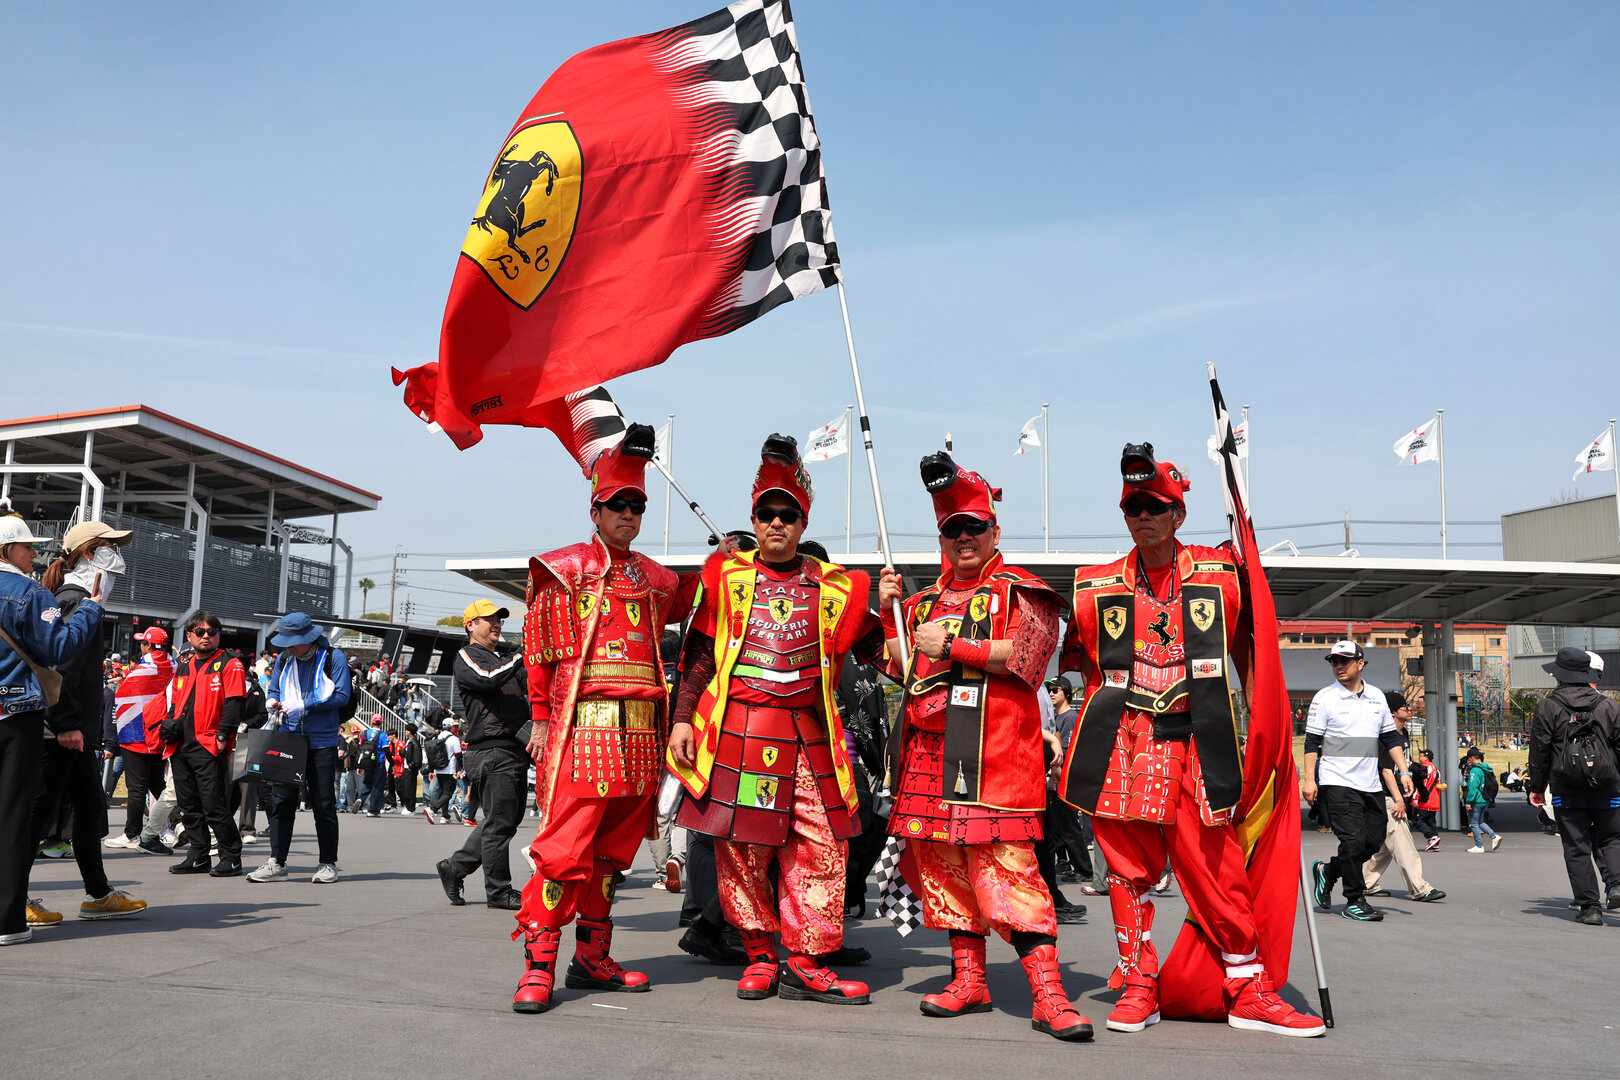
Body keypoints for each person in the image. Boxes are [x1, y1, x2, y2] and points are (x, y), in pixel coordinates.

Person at [1059, 442, 1324, 1037]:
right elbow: (1076, 665)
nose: (1143, 516)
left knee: (1216, 868)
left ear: (1178, 513)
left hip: (1200, 744)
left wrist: (1268, 732)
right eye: (1133, 508)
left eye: (1155, 506)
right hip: (1122, 745)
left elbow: (1253, 651)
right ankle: (1138, 984)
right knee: (1124, 871)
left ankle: (1249, 989)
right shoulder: (1093, 586)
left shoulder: (1222, 571)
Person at [876, 452, 1092, 1041]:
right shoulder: (922, 603)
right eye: (953, 529)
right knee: (946, 875)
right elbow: (899, 667)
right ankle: (968, 980)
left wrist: (953, 645)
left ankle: (1049, 995)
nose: (964, 537)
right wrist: (890, 614)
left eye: (974, 526)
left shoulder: (1023, 590)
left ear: (995, 530)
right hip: (926, 759)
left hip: (995, 758)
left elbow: (1028, 656)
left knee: (1012, 876)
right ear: (941, 538)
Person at [668, 434, 877, 1008]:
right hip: (740, 730)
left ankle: (806, 963)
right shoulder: (725, 577)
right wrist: (682, 718)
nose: (777, 522)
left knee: (823, 846)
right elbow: (699, 653)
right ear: (754, 519)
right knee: (742, 850)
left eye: (789, 514)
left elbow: (879, 652)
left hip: (810, 737)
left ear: (804, 522)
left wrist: (893, 610)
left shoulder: (839, 586)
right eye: (767, 514)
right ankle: (760, 957)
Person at [512, 425, 704, 1014]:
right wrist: (540, 719)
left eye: (636, 505)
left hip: (642, 732)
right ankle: (537, 968)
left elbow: (695, 597)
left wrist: (727, 560)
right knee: (564, 849)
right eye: (617, 504)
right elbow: (541, 653)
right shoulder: (564, 568)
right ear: (595, 510)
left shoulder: (654, 577)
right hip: (585, 728)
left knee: (612, 854)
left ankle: (592, 958)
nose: (628, 514)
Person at [0, 515, 110, 945]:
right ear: (7, 549)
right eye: (27, 547)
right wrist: (91, 610)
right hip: (17, 712)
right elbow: (60, 648)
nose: (34, 553)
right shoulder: (29, 592)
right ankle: (8, 920)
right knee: (14, 815)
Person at [1305, 641, 1414, 921]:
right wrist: (1309, 780)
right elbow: (1311, 743)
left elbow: (1390, 738)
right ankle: (1354, 900)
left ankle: (1328, 871)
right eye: (1334, 662)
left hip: (1370, 784)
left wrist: (1404, 771)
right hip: (1337, 781)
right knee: (1352, 841)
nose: (1339, 666)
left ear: (1361, 663)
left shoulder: (1377, 696)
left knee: (1372, 842)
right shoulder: (1324, 698)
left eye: (1345, 660)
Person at [437, 599, 529, 909]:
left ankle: (455, 867)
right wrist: (521, 655)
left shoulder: (500, 658)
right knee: (500, 822)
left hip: (511, 748)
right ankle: (498, 891)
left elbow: (527, 684)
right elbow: (487, 678)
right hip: (492, 749)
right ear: (470, 625)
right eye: (488, 619)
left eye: (498, 619)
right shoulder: (467, 655)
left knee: (504, 820)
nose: (496, 623)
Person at [246, 612, 350, 884]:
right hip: (289, 738)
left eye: (293, 642)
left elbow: (342, 695)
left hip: (322, 741)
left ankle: (327, 863)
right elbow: (274, 691)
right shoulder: (284, 659)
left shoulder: (333, 657)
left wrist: (306, 703)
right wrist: (271, 702)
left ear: (309, 638)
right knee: (281, 802)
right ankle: (277, 862)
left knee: (323, 804)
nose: (288, 647)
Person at [1528, 647, 1620, 925]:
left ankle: (1589, 908)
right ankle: (1617, 884)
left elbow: (1540, 750)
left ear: (1559, 676)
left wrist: (1537, 787)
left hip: (1566, 788)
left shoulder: (1548, 706)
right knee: (1612, 839)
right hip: (1607, 786)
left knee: (1576, 846)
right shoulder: (1609, 705)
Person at [1360, 691, 1445, 904]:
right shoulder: (1384, 738)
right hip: (1387, 796)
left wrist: (1413, 772)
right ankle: (1420, 888)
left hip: (1397, 795)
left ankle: (1364, 883)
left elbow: (1401, 766)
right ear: (1392, 712)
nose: (1409, 709)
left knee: (1384, 846)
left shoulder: (1403, 734)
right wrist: (1398, 799)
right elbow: (1386, 771)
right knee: (1403, 842)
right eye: (1404, 706)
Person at [104, 627, 173, 847]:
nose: (140, 646)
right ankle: (181, 823)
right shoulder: (175, 667)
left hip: (137, 735)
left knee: (136, 787)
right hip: (161, 735)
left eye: (142, 643)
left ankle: (131, 834)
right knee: (158, 784)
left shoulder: (143, 670)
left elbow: (123, 696)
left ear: (149, 645)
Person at [1461, 746, 1502, 854]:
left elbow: (1473, 788)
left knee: (1473, 823)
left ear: (1472, 758)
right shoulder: (1486, 768)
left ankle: (1479, 845)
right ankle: (1494, 836)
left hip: (1477, 800)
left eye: (1468, 759)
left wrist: (1468, 801)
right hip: (1485, 799)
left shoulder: (1475, 771)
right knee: (1479, 821)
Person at [357, 716, 391, 817]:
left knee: (367, 783)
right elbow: (387, 751)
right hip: (379, 762)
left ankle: (360, 798)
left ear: (371, 722)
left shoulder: (364, 734)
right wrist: (392, 763)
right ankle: (373, 810)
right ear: (381, 723)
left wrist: (359, 765)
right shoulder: (382, 735)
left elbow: (359, 749)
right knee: (377, 786)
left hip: (366, 762)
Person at [1410, 748, 1442, 850]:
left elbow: (1421, 784)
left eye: (1421, 755)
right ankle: (1435, 843)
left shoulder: (1423, 768)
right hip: (1434, 800)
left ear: (1426, 757)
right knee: (1431, 822)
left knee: (1417, 821)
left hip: (1424, 801)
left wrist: (1416, 797)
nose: (1419, 757)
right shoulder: (1436, 770)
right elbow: (1438, 785)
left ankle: (1432, 837)